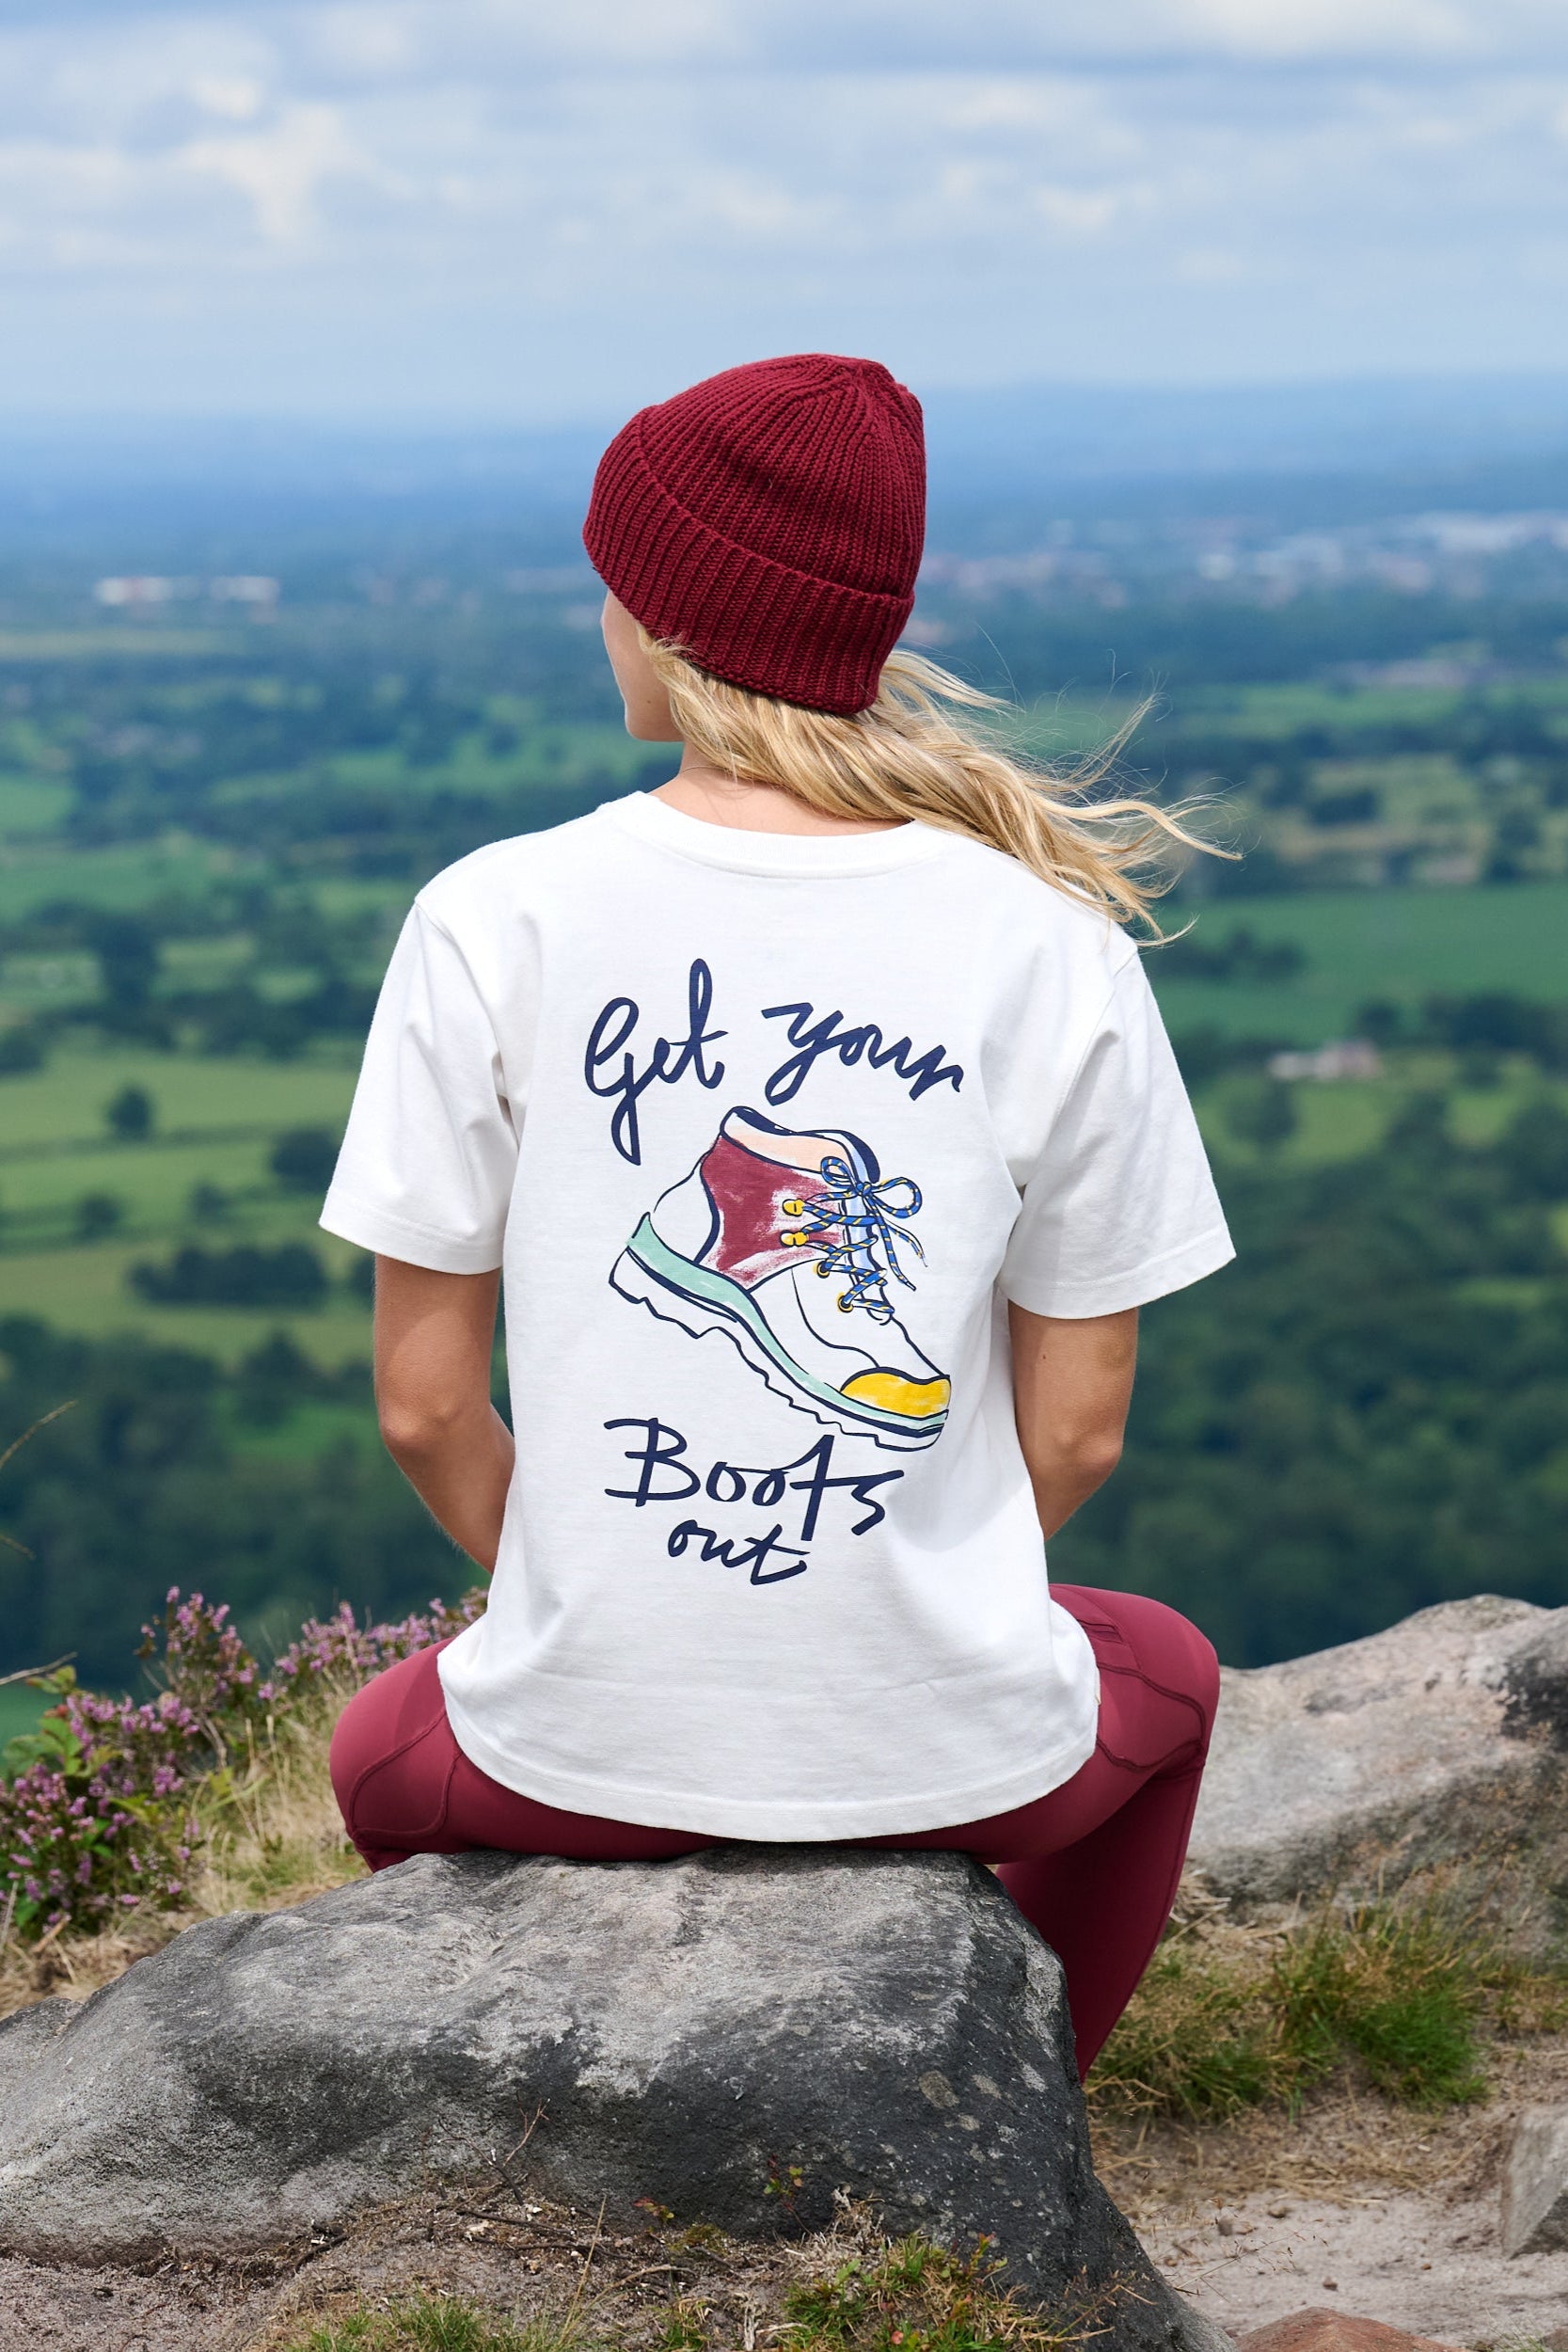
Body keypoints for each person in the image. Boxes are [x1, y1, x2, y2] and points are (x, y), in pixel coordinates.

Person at [322, 354, 1233, 2080]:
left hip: (566, 1758)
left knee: (381, 1746)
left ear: (668, 617)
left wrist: (604, 1595)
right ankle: (1000, 2107)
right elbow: (1084, 1429)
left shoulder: (488, 917)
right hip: (954, 1743)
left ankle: (591, 2096)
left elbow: (424, 1403)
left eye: (616, 574)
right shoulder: (1048, 942)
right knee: (1167, 1675)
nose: (600, 608)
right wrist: (890, 1599)